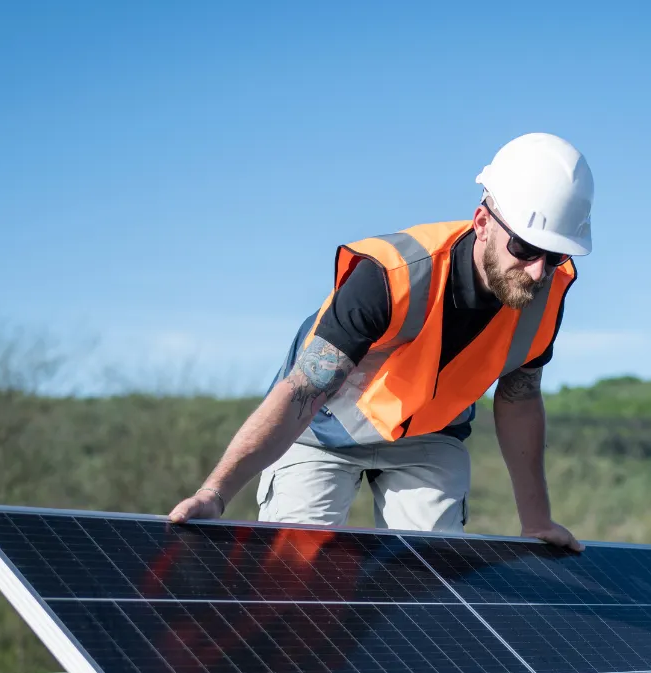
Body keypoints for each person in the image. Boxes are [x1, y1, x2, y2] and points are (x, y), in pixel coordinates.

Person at [167, 133, 591, 550]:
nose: (538, 272)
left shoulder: (544, 296)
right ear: (482, 223)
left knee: (430, 581)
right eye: (523, 247)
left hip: (430, 434)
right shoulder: (390, 277)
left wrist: (536, 519)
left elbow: (519, 399)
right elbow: (303, 390)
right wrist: (216, 493)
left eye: (554, 256)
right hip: (322, 429)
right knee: (292, 575)